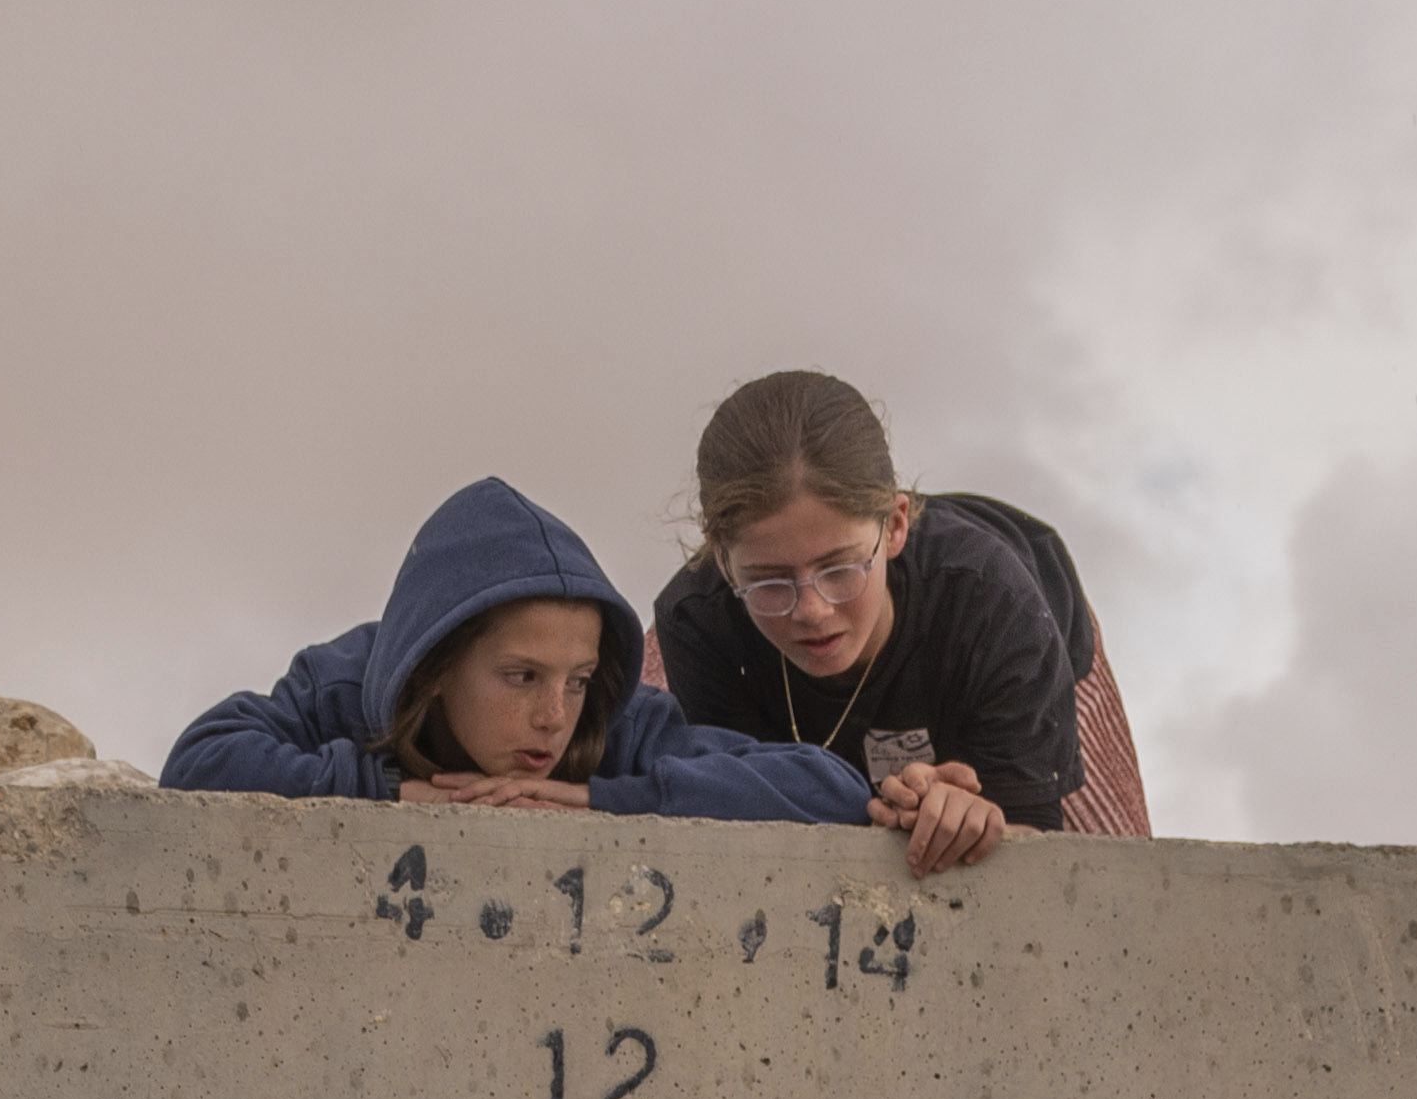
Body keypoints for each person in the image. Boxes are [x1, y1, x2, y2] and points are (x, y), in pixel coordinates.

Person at [165, 481, 868, 824]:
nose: (553, 717)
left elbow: (829, 789)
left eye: (578, 679)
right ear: (436, 666)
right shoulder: (344, 685)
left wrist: (600, 798)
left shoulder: (613, 722)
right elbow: (198, 761)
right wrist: (388, 792)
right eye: (521, 676)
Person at [649, 373, 1119, 880]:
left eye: (840, 569)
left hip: (1023, 645)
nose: (811, 610)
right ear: (721, 561)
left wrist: (973, 820)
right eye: (770, 582)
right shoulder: (694, 619)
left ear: (895, 525)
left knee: (1101, 873)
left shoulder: (1000, 606)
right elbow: (740, 817)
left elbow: (1038, 836)